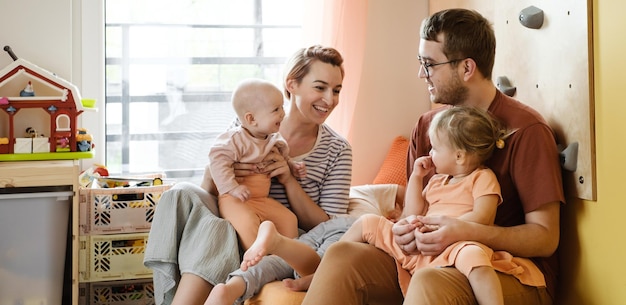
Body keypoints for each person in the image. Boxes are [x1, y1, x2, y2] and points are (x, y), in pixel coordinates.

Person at [301, 8, 565, 305]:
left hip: (503, 270)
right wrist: (404, 229)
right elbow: (417, 209)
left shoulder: (526, 130)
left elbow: (545, 237)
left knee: (432, 280)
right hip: (429, 258)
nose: (420, 74)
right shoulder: (428, 126)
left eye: (428, 64)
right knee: (343, 253)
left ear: (466, 68)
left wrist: (465, 231)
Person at [144, 44, 353, 305]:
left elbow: (329, 227)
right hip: (237, 213)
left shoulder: (338, 149)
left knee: (215, 231)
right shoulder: (249, 122)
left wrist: (288, 180)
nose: (330, 100)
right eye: (320, 88)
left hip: (282, 235)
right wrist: (220, 178)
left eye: (337, 90)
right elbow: (212, 188)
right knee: (182, 195)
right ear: (292, 84)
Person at [341, 106, 548, 305]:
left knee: (474, 257)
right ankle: (318, 271)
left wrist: (450, 229)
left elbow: (483, 218)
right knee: (367, 222)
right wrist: (416, 177)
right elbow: (413, 211)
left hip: (458, 243)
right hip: (423, 244)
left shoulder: (482, 177)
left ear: (459, 156)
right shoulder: (436, 181)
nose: (430, 153)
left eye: (435, 148)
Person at [204, 183, 406, 305]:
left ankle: (231, 288)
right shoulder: (385, 216)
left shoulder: (369, 191)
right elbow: (409, 202)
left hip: (327, 225)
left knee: (278, 262)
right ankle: (277, 242)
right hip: (353, 229)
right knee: (321, 268)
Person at [209, 78, 304, 250]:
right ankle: (255, 261)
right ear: (251, 119)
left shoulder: (274, 139)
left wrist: (293, 166)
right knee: (247, 224)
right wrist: (233, 187)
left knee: (289, 219)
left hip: (261, 199)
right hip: (234, 199)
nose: (282, 113)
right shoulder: (235, 139)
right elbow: (217, 160)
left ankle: (285, 259)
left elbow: (283, 158)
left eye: (282, 107)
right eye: (276, 109)